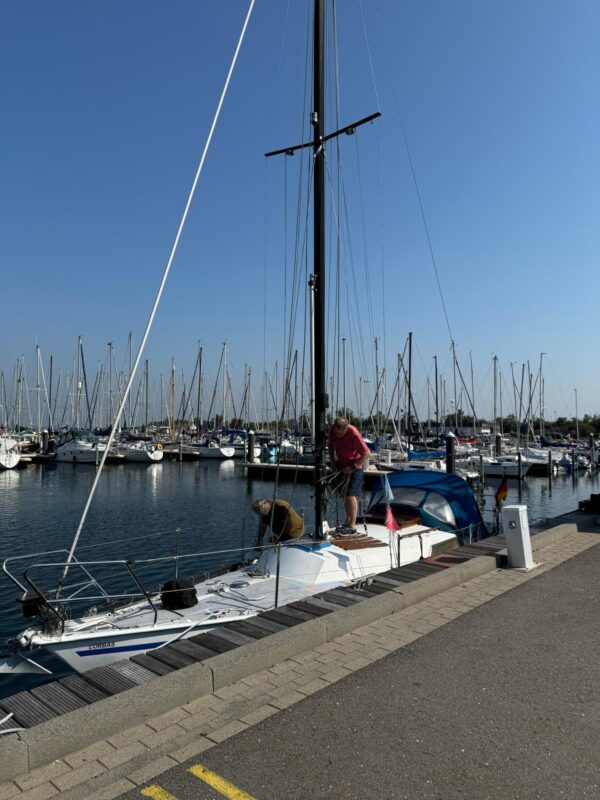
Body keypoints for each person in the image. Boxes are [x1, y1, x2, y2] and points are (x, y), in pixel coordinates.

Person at [328, 416, 370, 533]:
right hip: (341, 465)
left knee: (350, 495)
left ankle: (352, 525)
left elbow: (367, 454)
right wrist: (333, 462)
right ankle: (347, 521)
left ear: (346, 429)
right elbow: (330, 445)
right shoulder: (333, 430)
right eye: (336, 432)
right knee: (344, 494)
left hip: (355, 466)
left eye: (340, 433)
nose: (337, 435)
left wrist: (353, 467)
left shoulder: (353, 434)